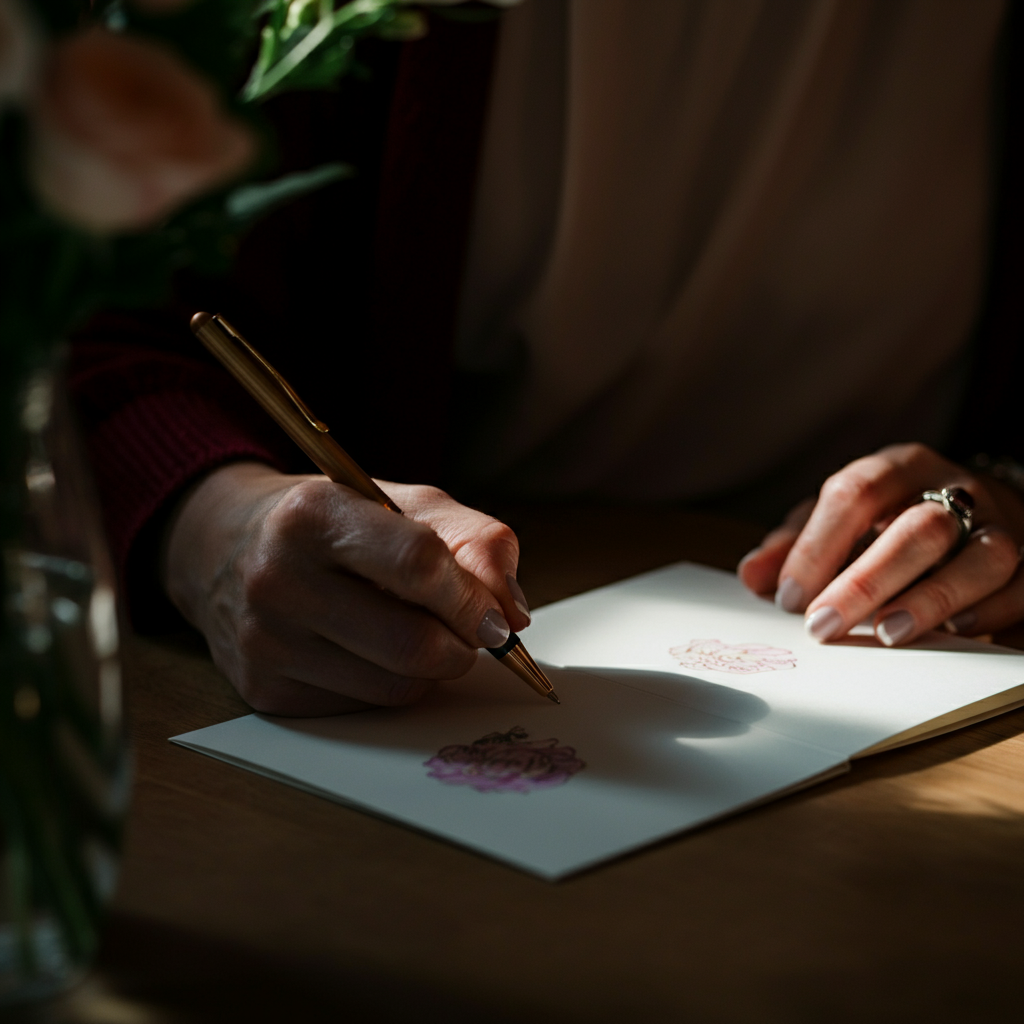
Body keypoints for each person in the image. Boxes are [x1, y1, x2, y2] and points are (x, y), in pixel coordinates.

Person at [72, 0, 1024, 717]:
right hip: (415, 657)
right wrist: (217, 526)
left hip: (899, 673)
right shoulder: (331, 26)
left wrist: (1009, 495)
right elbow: (73, 324)